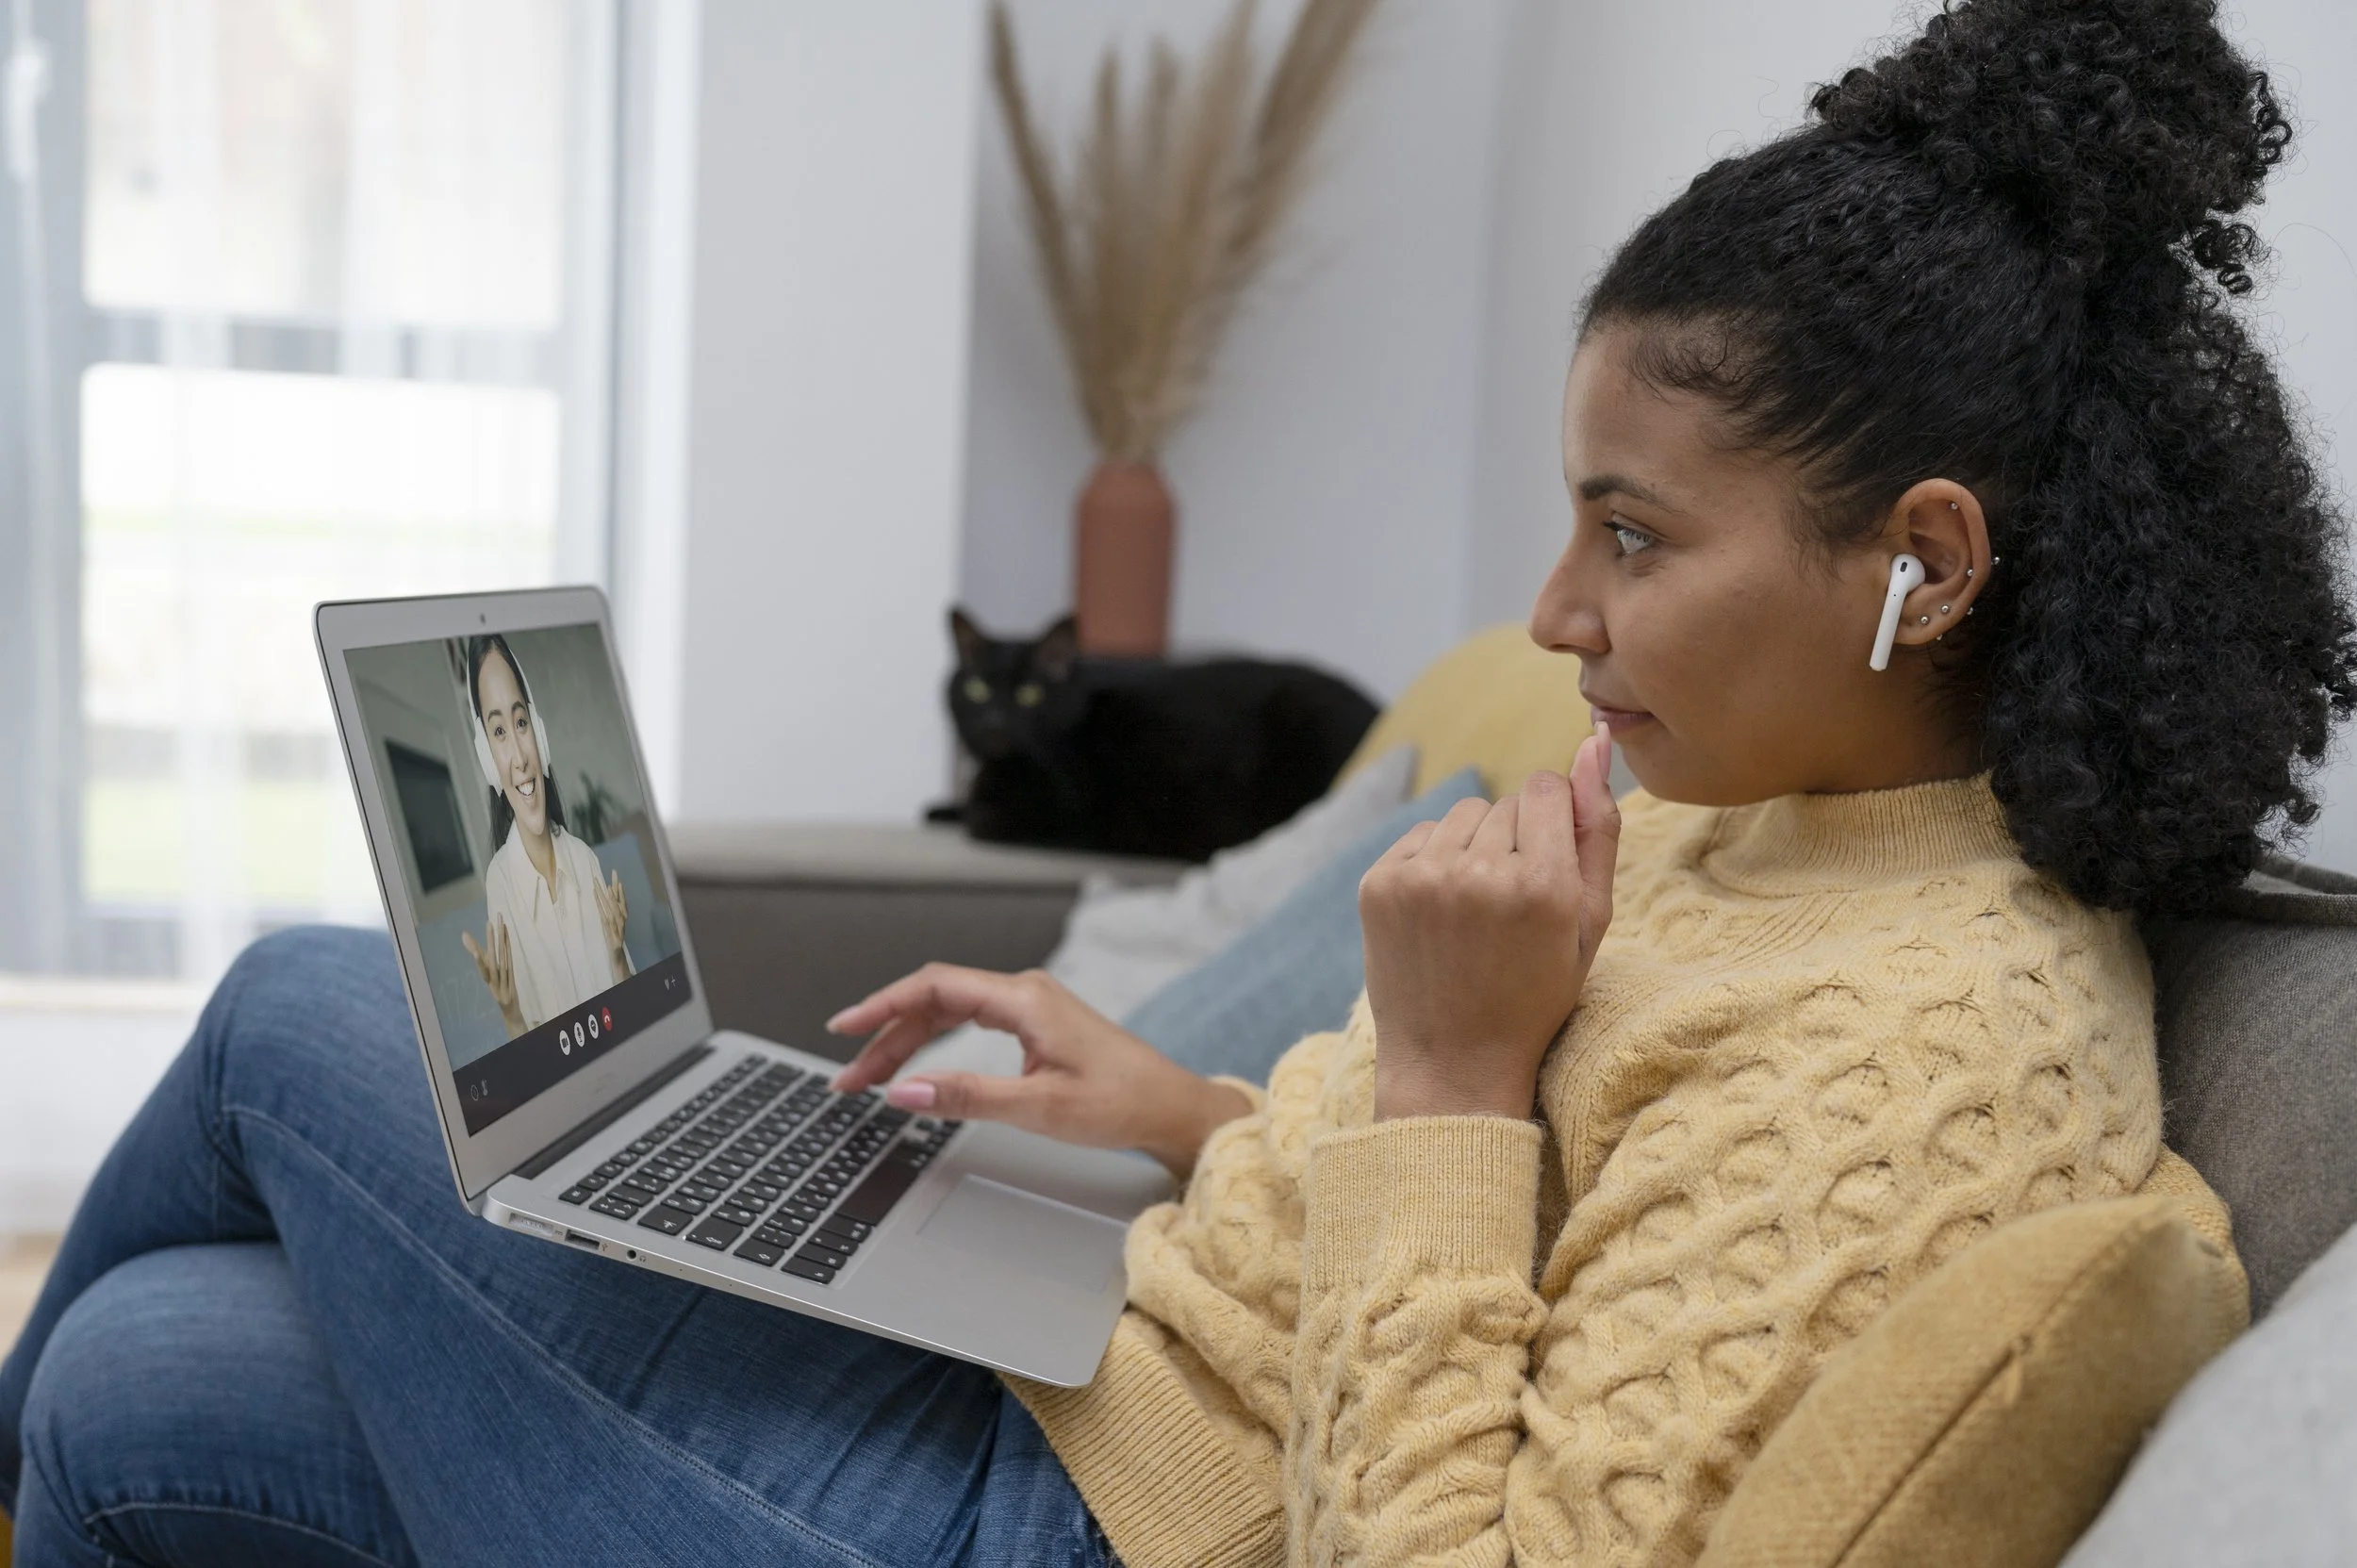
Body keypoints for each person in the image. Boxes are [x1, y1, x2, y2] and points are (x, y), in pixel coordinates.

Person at [5, 0, 2352, 1562]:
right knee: (126, 1390)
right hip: (1090, 1385)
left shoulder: (1933, 1045)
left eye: (1629, 535)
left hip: (1076, 1529)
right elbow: (1556, 1234)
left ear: (1918, 567)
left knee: (303, 1007)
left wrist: (1435, 1068)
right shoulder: (1765, 816)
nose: (1554, 615)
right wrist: (1179, 1112)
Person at [457, 634, 634, 1040]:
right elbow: (533, 1058)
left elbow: (630, 1022)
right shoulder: (500, 881)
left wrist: (617, 957)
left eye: (521, 724)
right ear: (487, 758)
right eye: (499, 732)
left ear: (539, 732)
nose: (519, 757)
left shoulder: (584, 859)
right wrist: (510, 1012)